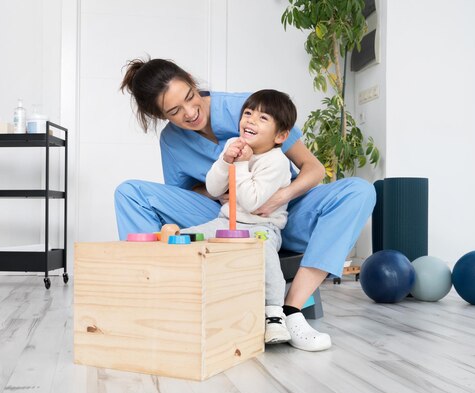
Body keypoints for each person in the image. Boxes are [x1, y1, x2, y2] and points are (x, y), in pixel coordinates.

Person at [117, 58, 376, 352]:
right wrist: (221, 191)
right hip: (224, 217)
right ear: (159, 114)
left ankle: (290, 310)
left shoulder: (252, 109)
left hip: (285, 213)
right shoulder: (171, 142)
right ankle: (155, 299)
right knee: (128, 193)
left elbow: (313, 169)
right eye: (174, 111)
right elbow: (187, 193)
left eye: (190, 97)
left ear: (192, 80)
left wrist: (279, 196)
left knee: (359, 191)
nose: (190, 112)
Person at [180, 89, 295, 345]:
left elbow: (251, 201)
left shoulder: (276, 162)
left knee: (264, 252)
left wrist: (241, 165)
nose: (251, 120)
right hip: (225, 223)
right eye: (248, 113)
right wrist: (225, 161)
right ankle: (182, 298)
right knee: (185, 237)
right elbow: (212, 188)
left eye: (263, 118)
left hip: (262, 227)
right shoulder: (234, 146)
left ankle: (274, 315)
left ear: (281, 136)